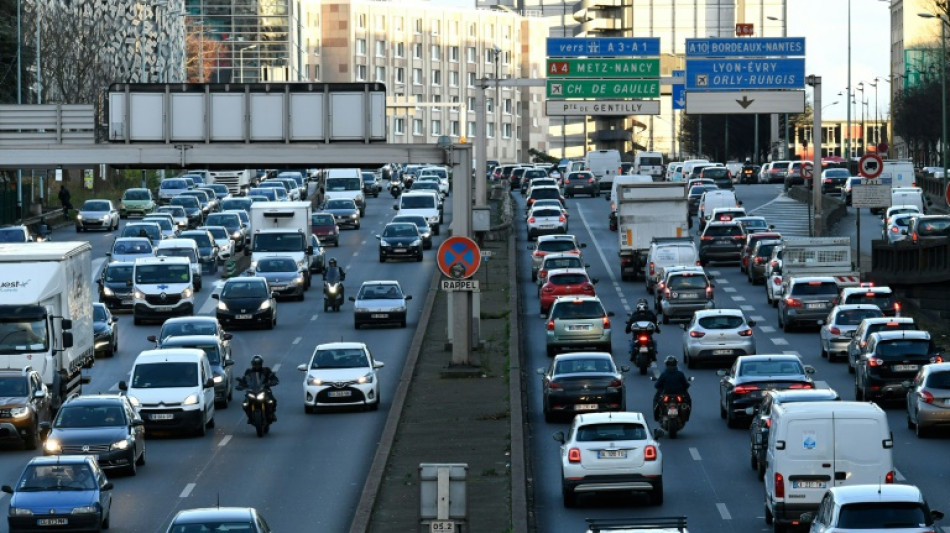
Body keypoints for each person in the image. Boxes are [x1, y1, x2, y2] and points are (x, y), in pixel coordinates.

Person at [241, 355, 279, 422]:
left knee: (272, 400)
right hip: (252, 390)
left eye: (258, 364)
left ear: (261, 363)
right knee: (245, 403)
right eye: (255, 364)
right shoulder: (248, 371)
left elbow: (273, 377)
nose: (256, 366)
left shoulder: (266, 370)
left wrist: (273, 381)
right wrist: (241, 385)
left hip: (264, 390)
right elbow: (244, 379)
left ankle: (271, 414)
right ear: (252, 364)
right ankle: (249, 415)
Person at [653, 356, 691, 421]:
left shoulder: (664, 374)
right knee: (688, 401)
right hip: (678, 394)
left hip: (666, 394)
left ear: (666, 364)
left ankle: (656, 417)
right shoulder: (680, 374)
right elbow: (686, 385)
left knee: (656, 400)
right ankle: (687, 416)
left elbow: (657, 385)